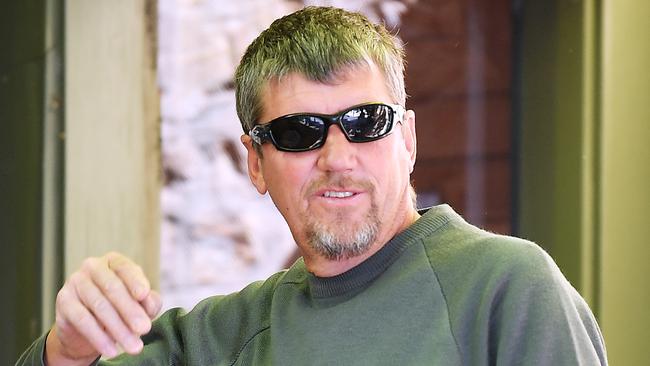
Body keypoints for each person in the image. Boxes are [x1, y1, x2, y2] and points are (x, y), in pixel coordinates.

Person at [18, 6, 607, 365]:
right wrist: (69, 350)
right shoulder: (219, 339)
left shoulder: (507, 290)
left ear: (407, 140)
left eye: (365, 122)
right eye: (300, 131)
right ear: (255, 162)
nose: (337, 157)